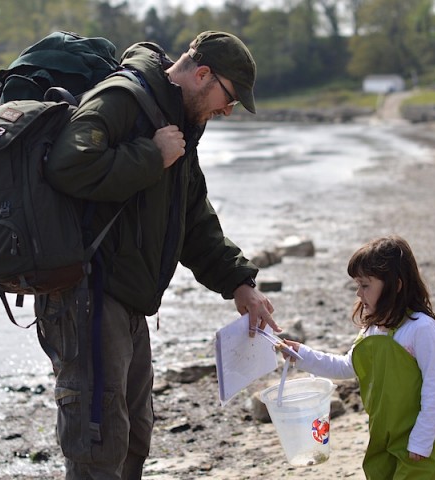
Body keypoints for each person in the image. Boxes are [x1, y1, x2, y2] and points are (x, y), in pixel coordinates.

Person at [40, 31, 280, 479]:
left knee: (133, 437)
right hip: (89, 295)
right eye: (228, 98)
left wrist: (240, 284)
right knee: (97, 442)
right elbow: (67, 164)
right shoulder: (124, 98)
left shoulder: (181, 120)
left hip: (128, 299)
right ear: (202, 74)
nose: (227, 111)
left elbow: (192, 216)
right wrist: (152, 155)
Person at [283, 235, 435, 479]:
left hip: (419, 433)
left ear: (396, 284)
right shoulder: (373, 328)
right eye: (357, 285)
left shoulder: (421, 328)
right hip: (383, 431)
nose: (358, 293)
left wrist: (422, 439)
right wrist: (302, 355)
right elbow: (345, 366)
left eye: (365, 285)